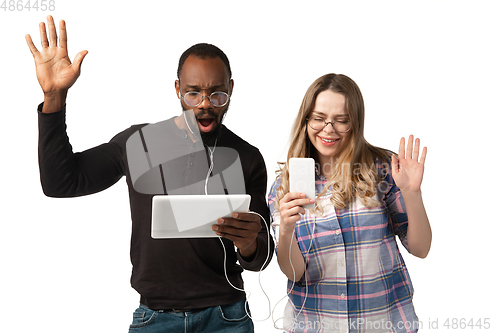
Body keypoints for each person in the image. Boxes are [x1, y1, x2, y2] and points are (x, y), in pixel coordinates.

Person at [26, 16, 273, 333]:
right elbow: (61, 183)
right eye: (193, 93)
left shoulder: (247, 157)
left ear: (231, 90)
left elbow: (261, 258)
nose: (205, 105)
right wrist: (54, 98)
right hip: (156, 318)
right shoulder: (138, 142)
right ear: (177, 89)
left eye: (217, 94)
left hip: (227, 318)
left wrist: (251, 243)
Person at [268, 73, 431, 333]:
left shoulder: (383, 168)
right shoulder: (284, 187)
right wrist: (286, 231)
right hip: (316, 325)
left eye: (341, 121)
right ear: (306, 119)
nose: (328, 129)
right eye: (319, 119)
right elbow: (295, 274)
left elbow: (421, 248)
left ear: (355, 122)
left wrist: (412, 193)